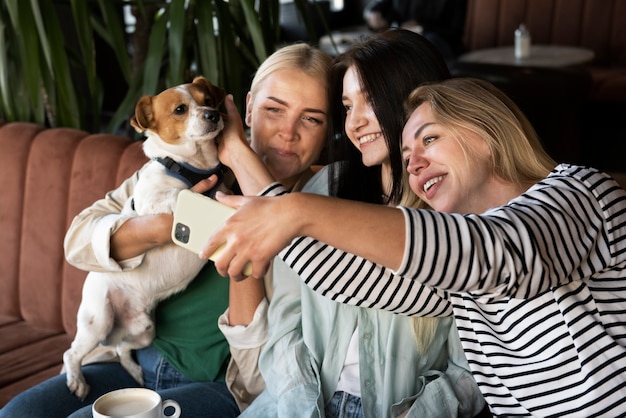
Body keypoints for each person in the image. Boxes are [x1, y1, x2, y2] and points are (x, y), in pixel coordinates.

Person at [203, 77, 626, 417]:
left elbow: (492, 251)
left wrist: (297, 210)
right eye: (406, 156)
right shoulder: (461, 277)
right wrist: (253, 172)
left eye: (429, 140)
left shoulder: (581, 193)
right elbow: (353, 278)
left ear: (485, 131)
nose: (414, 165)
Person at [0, 43, 331, 418]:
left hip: (220, 383)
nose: (288, 132)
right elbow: (77, 241)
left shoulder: (317, 209)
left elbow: (259, 377)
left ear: (329, 129)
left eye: (311, 119)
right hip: (130, 356)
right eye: (274, 110)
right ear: (248, 108)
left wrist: (239, 159)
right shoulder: (184, 163)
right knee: (18, 415)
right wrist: (161, 228)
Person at [216, 29, 485, 417]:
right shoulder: (326, 186)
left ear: (419, 100)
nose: (355, 122)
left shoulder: (459, 213)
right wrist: (303, 409)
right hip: (298, 403)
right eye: (346, 106)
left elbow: (473, 369)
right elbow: (285, 330)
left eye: (370, 100)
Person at [363, 0, 467, 65]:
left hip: (439, 41)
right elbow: (382, 5)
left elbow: (455, 32)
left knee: (426, 42)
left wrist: (422, 26)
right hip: (404, 37)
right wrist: (374, 13)